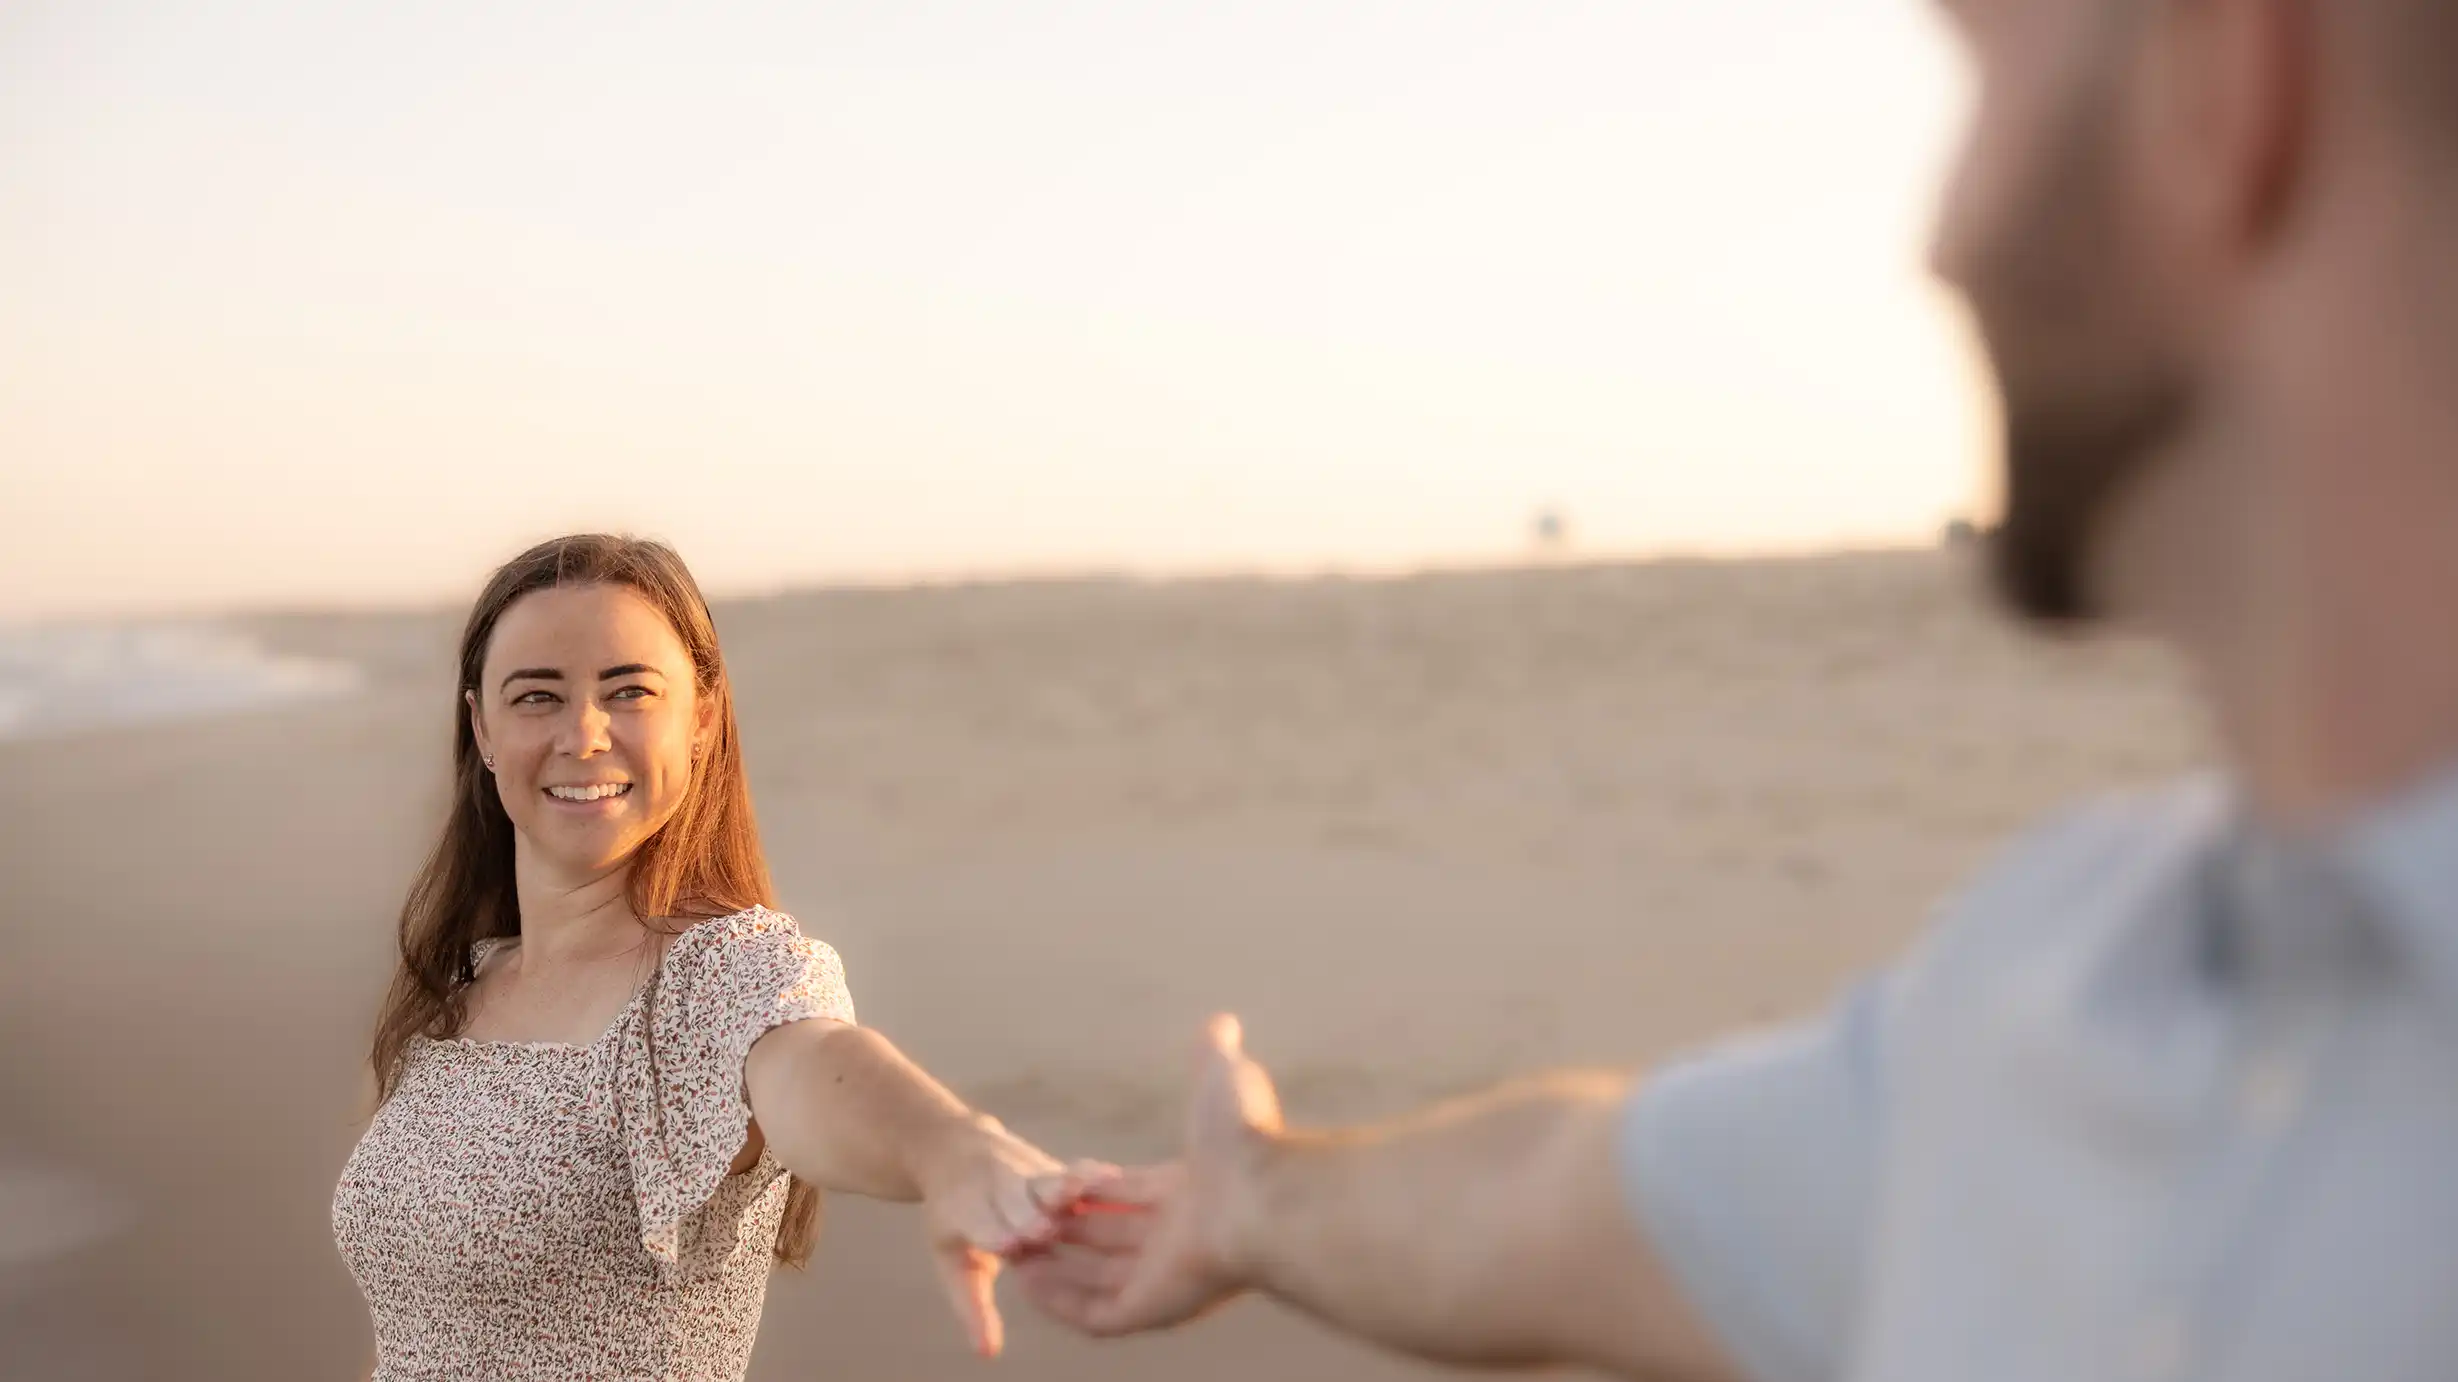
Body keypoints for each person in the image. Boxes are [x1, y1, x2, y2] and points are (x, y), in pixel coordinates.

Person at [1014, 1, 2458, 1378]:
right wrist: (1252, 1199)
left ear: (2219, 74)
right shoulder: (2065, 974)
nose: (1936, 249)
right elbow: (1555, 1209)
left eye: (1982, 61)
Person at [332, 534, 1097, 1381]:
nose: (584, 735)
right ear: (481, 727)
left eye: (628, 693)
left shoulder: (717, 978)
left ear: (699, 718)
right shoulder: (443, 1002)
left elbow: (817, 1069)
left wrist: (949, 1150)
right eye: (537, 697)